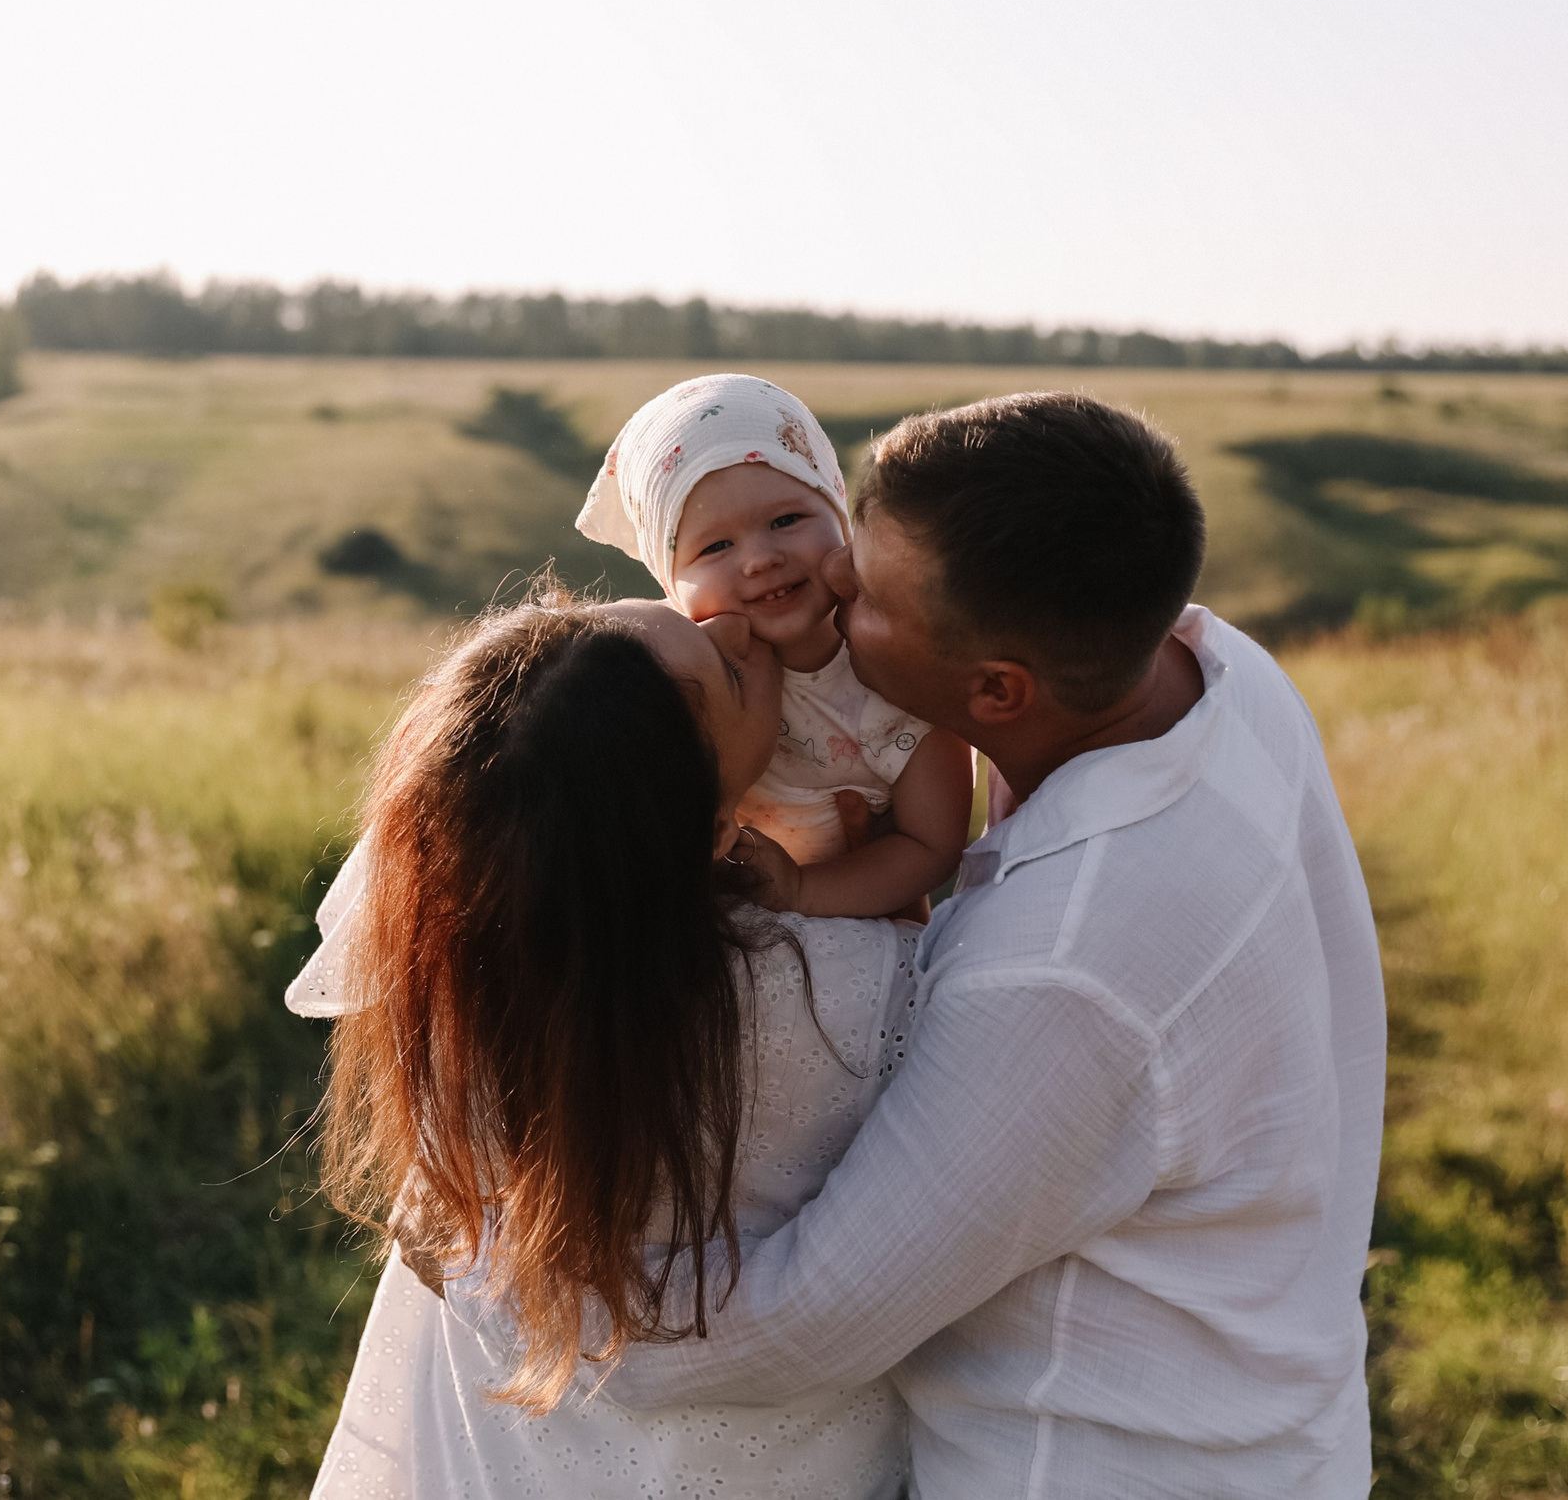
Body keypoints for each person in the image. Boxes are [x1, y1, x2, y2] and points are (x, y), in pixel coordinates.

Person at [526, 391, 1388, 1496]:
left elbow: (802, 1321)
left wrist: (504, 1281)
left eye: (872, 595)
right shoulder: (1215, 667)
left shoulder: (1063, 971)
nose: (829, 583)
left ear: (993, 689)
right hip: (1275, 1413)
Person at [293, 591, 915, 1500]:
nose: (729, 620)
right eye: (726, 677)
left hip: (507, 1450)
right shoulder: (846, 991)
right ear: (706, 829)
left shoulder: (457, 983)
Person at [576, 373, 971, 916]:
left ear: (841, 517)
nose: (760, 559)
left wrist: (805, 893)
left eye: (787, 520)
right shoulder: (667, 678)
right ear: (670, 583)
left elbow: (932, 846)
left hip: (850, 923)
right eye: (715, 546)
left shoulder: (899, 665)